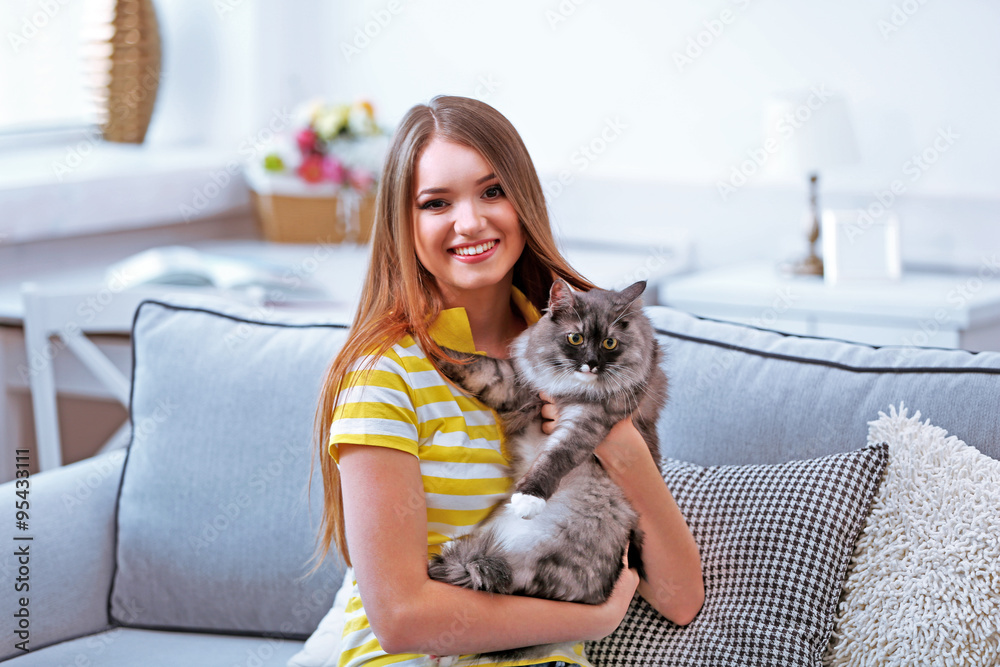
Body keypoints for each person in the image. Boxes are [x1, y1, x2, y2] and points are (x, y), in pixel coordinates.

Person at [313, 95, 704, 667]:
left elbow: (681, 598)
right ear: (405, 223)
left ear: (524, 200)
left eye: (492, 191)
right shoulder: (385, 376)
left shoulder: (599, 358)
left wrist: (620, 447)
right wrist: (592, 619)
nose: (469, 221)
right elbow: (399, 620)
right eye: (436, 202)